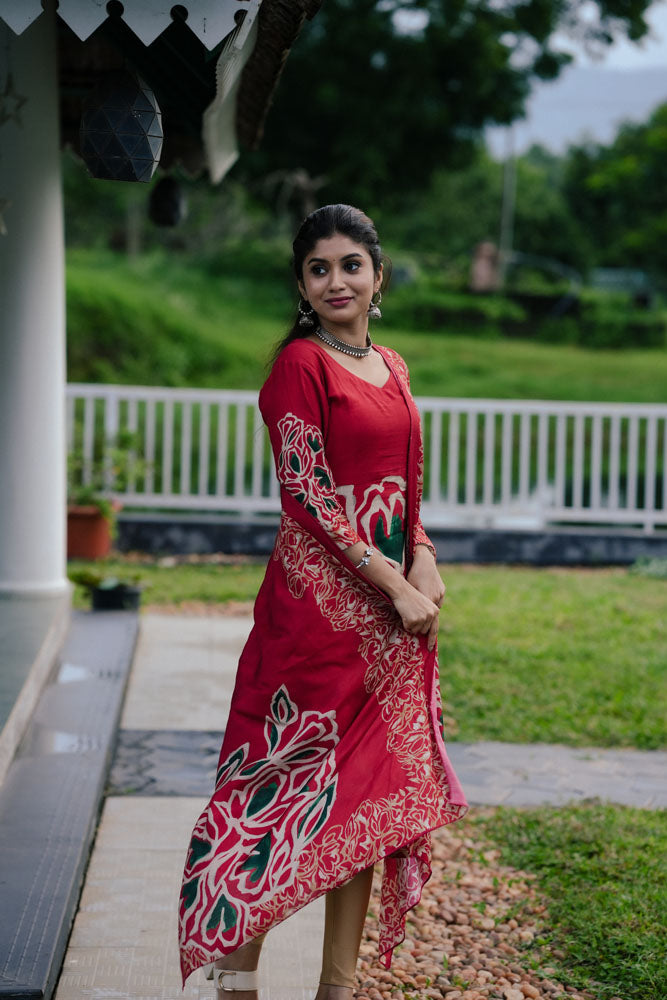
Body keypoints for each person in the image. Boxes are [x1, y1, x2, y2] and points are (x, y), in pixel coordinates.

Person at [179, 205, 468, 999]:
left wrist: (423, 557)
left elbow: (405, 488)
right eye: (318, 268)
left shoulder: (393, 366)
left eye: (350, 265)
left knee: (366, 798)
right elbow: (306, 495)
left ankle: (336, 988)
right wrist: (394, 584)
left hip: (390, 617)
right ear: (301, 285)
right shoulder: (299, 366)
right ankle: (236, 977)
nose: (335, 281)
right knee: (281, 790)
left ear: (377, 275)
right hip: (315, 616)